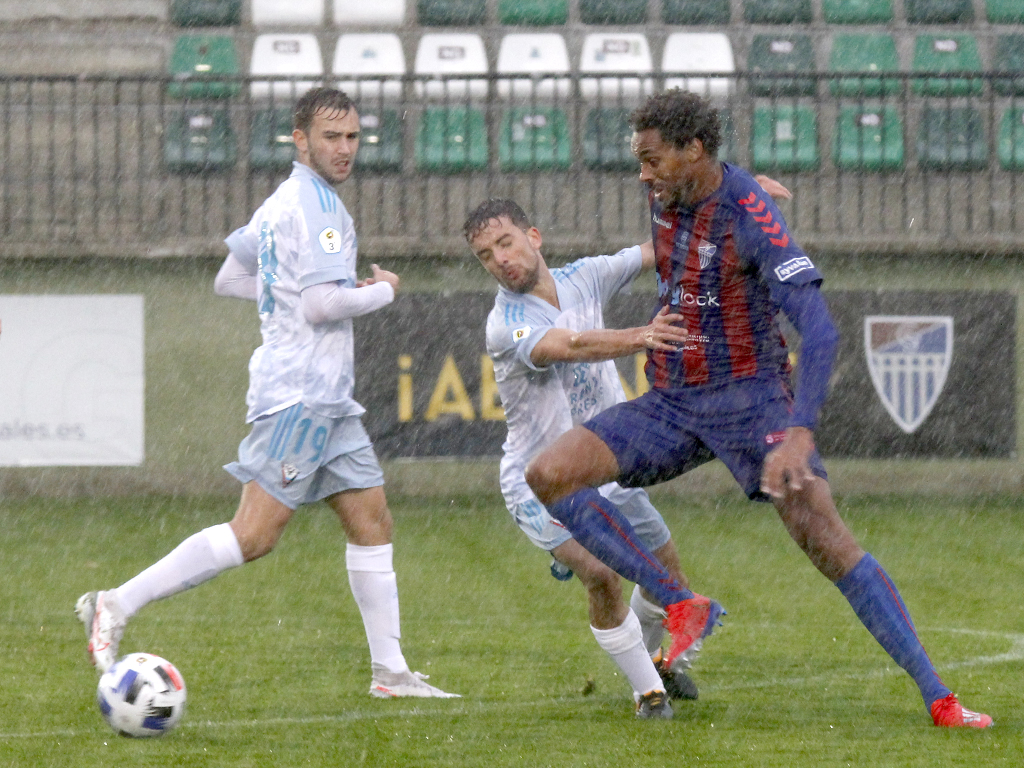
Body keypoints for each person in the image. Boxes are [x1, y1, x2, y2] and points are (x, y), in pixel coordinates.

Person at [524, 89, 993, 729]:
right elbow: (697, 219)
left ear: (694, 151)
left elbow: (821, 332)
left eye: (653, 159)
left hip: (752, 402)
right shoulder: (671, 191)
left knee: (825, 539)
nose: (643, 173)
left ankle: (939, 698)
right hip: (672, 401)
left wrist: (798, 432)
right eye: (640, 160)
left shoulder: (751, 216)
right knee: (549, 474)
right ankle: (680, 602)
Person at [75, 87, 458, 700]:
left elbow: (231, 277)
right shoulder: (318, 206)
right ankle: (115, 603)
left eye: (353, 137)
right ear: (299, 139)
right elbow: (322, 303)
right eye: (331, 137)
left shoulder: (282, 201)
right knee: (253, 536)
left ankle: (390, 673)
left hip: (329, 400)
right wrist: (384, 289)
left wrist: (285, 291)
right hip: (300, 396)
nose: (345, 149)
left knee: (372, 522)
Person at [464, 182, 792, 718]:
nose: (500, 260)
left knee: (668, 575)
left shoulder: (583, 276)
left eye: (505, 243)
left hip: (604, 467)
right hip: (540, 483)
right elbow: (567, 346)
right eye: (486, 255)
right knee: (602, 573)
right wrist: (643, 336)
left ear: (533, 236)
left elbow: (661, 248)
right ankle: (649, 693)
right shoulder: (506, 323)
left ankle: (660, 664)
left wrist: (736, 201)